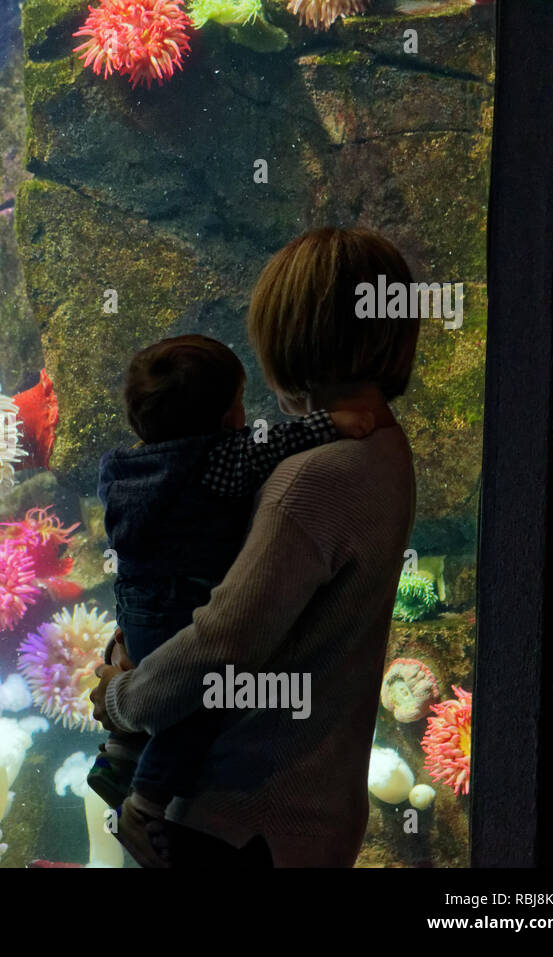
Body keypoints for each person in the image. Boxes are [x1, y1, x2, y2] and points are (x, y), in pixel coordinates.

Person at [90, 227, 418, 868]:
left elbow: (220, 642)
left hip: (240, 825)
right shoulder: (384, 451)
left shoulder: (313, 478)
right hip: (307, 817)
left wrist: (121, 701)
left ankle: (136, 788)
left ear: (292, 335)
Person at [89, 335, 374, 815]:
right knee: (198, 701)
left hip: (134, 605)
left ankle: (117, 759)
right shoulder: (218, 459)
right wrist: (338, 423)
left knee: (144, 678)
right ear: (227, 419)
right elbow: (282, 440)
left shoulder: (120, 467)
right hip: (186, 604)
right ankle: (147, 798)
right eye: (239, 404)